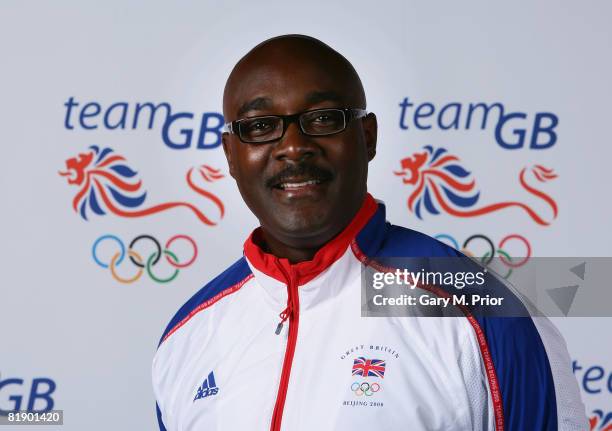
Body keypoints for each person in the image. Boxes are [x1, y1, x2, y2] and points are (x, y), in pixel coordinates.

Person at [152, 35, 586, 430]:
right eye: (260, 126)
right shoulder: (188, 336)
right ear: (231, 154)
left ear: (367, 136)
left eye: (323, 119)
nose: (293, 146)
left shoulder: (482, 310)